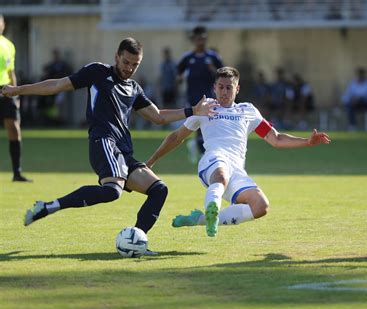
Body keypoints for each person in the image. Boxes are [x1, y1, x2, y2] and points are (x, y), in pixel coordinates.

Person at [1, 38, 217, 253]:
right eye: (126, 62)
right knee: (113, 191)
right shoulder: (97, 72)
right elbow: (57, 85)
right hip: (102, 141)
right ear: (116, 57)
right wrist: (18, 89)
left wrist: (192, 110)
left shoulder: (134, 88)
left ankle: (135, 241)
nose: (130, 68)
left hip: (123, 151)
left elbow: (158, 116)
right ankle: (48, 207)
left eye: (135, 64)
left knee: (159, 189)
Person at [146, 66, 331, 237]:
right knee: (221, 174)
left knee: (260, 206)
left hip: (237, 169)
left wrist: (307, 142)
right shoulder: (205, 108)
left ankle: (201, 219)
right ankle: (213, 207)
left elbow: (276, 139)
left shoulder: (248, 111)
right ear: (214, 88)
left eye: (229, 87)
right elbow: (177, 137)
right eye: (221, 87)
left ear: (237, 89)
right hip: (213, 161)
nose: (225, 92)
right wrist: (151, 161)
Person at [177, 25, 224, 163]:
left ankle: (205, 151)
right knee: (196, 125)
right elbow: (178, 75)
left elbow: (223, 74)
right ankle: (200, 149)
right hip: (192, 99)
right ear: (194, 40)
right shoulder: (187, 58)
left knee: (210, 125)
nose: (201, 42)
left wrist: (213, 70)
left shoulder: (212, 57)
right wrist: (179, 79)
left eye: (203, 39)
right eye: (198, 39)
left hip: (210, 98)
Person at [0, 14, 31, 182]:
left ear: (4, 24)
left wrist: (16, 93)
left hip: (5, 90)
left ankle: (17, 172)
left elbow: (11, 71)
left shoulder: (8, 46)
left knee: (14, 129)